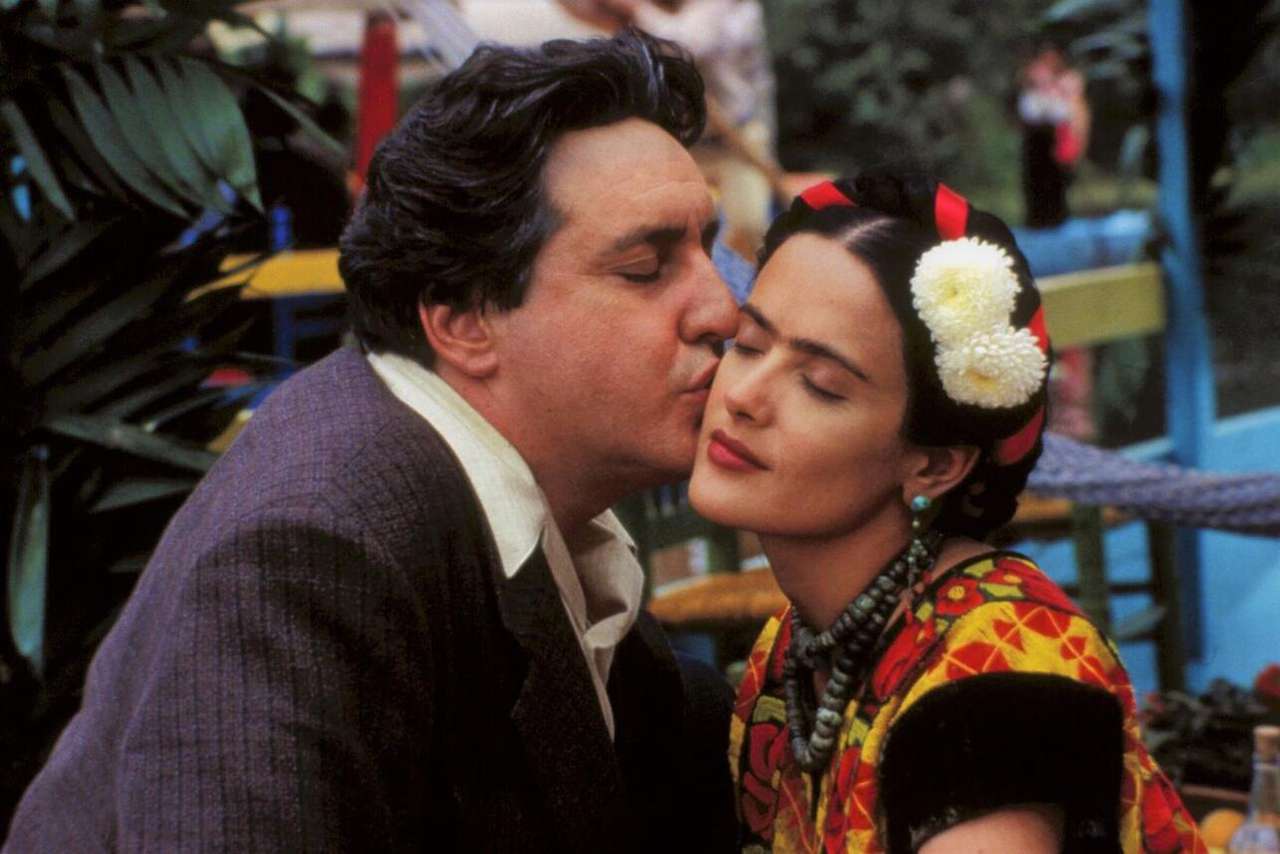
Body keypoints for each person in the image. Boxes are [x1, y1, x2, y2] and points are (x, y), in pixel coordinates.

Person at [5, 30, 740, 852]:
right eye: (644, 269)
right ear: (462, 320)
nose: (722, 309)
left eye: (707, 250)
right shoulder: (313, 548)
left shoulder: (498, 489)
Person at [687, 171, 1207, 852]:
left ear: (934, 465)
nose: (743, 395)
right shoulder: (788, 650)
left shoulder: (999, 670)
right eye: (749, 345)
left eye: (820, 384)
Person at [1017, 41, 1089, 228]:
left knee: (1056, 182)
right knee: (1035, 182)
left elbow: (1076, 113)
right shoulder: (1034, 78)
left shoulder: (1068, 80)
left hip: (1056, 136)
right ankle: (1036, 219)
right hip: (1036, 138)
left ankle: (1057, 219)